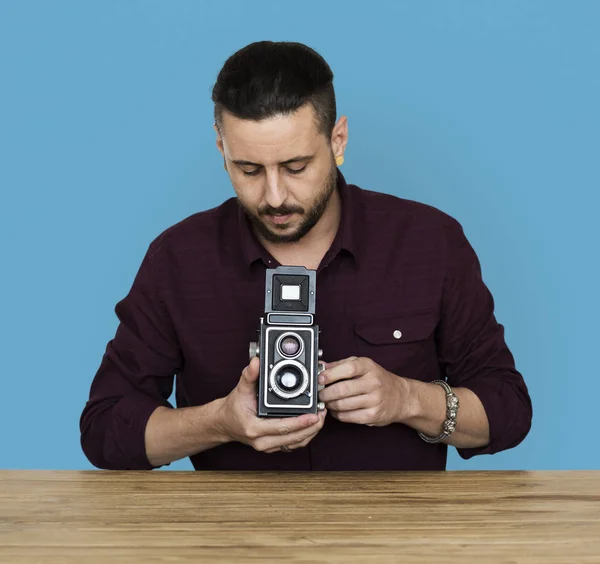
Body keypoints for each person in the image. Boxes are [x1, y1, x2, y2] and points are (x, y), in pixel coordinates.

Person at [80, 41, 532, 471]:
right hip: (232, 540)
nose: (274, 196)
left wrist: (408, 400)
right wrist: (220, 422)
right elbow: (104, 430)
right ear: (222, 149)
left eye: (296, 167)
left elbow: (507, 411)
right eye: (249, 169)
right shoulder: (178, 259)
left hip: (396, 538)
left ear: (338, 140)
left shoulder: (429, 241)